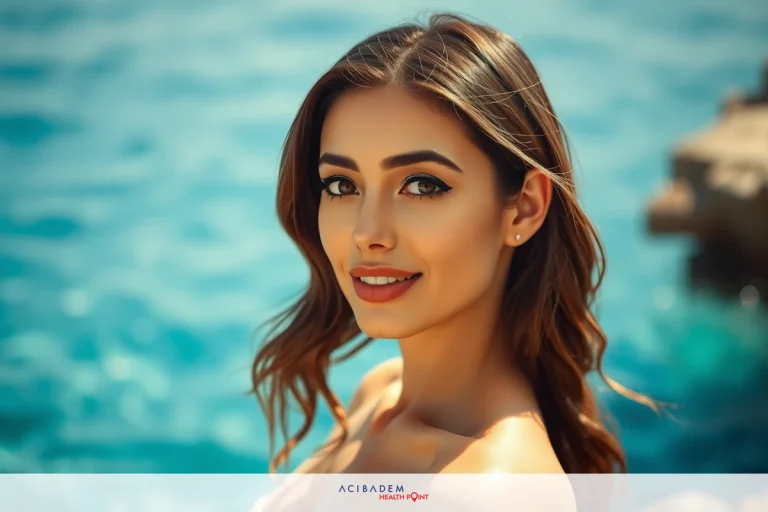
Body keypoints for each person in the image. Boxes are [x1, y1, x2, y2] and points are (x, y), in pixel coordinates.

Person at [252, 11, 655, 475]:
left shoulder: (493, 486)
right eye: (342, 186)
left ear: (524, 207)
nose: (368, 233)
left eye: (422, 186)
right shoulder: (378, 393)